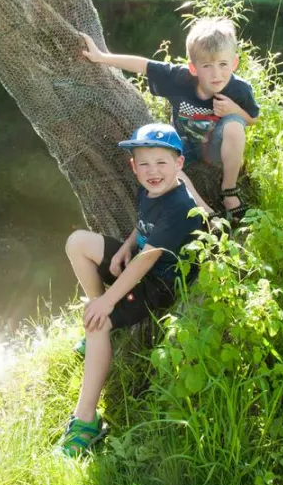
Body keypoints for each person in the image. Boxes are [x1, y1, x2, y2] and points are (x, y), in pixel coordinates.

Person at [58, 123, 204, 457]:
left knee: (97, 325)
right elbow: (143, 227)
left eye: (161, 163)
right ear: (133, 166)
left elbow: (147, 261)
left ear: (179, 163)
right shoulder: (150, 188)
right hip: (138, 263)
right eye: (144, 164)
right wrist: (126, 246)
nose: (153, 171)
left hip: (160, 284)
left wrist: (109, 301)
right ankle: (99, 313)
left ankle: (86, 423)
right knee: (77, 241)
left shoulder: (180, 206)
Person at [80, 17, 259, 219]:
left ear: (234, 63)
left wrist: (234, 109)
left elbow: (252, 118)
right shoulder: (180, 78)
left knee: (235, 125)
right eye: (207, 66)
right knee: (165, 164)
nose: (216, 74)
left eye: (223, 64)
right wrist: (101, 57)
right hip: (186, 145)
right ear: (193, 68)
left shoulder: (239, 89)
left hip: (217, 149)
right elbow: (144, 65)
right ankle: (209, 215)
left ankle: (229, 191)